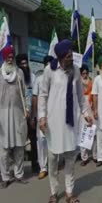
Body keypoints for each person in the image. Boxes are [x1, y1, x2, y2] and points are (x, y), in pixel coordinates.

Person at [38, 39, 93, 202]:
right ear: (61, 57)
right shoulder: (50, 71)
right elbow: (43, 95)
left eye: (71, 56)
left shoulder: (75, 71)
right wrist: (42, 117)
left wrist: (86, 112)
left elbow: (81, 96)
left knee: (70, 158)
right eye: (69, 56)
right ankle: (54, 192)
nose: (71, 59)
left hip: (70, 123)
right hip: (53, 123)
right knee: (53, 160)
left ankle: (69, 192)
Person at [0, 46, 29, 189]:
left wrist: (26, 108)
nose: (10, 58)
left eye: (12, 56)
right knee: (3, 150)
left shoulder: (19, 73)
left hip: (18, 113)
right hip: (3, 115)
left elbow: (24, 94)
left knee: (19, 147)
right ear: (4, 57)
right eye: (8, 56)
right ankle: (5, 176)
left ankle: (19, 174)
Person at [16, 53, 39, 172]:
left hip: (31, 114)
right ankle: (18, 168)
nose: (24, 66)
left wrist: (32, 113)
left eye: (26, 63)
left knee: (34, 140)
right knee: (19, 141)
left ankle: (35, 163)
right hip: (19, 114)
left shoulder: (33, 77)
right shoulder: (16, 77)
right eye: (22, 64)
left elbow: (34, 95)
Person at [32, 55, 53, 180]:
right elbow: (35, 98)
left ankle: (53, 165)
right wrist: (34, 115)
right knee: (41, 142)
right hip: (41, 115)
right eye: (47, 64)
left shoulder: (55, 79)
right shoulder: (39, 80)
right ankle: (43, 168)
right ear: (44, 65)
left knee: (53, 140)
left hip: (54, 115)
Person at [79, 64, 97, 166]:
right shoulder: (78, 84)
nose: (85, 75)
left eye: (86, 73)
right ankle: (84, 157)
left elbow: (94, 97)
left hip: (91, 109)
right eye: (83, 73)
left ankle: (94, 155)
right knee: (83, 134)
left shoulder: (92, 83)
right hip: (82, 112)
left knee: (93, 134)